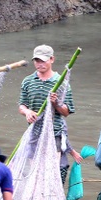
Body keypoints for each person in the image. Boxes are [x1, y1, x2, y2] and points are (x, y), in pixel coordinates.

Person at [18, 44, 75, 183]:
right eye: (37, 61)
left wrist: (56, 103)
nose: (40, 64)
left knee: (54, 170)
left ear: (52, 59)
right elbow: (22, 105)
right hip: (34, 132)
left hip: (54, 133)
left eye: (43, 60)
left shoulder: (61, 82)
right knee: (33, 170)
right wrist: (27, 112)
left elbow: (66, 112)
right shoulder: (28, 82)